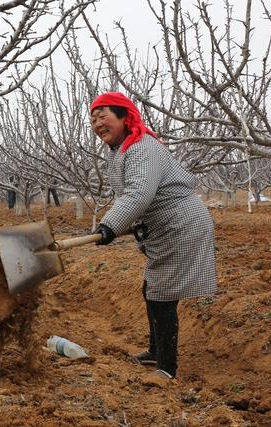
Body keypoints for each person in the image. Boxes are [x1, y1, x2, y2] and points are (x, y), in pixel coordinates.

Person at [89, 92, 217, 380]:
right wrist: (111, 227)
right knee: (152, 289)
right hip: (165, 226)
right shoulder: (122, 150)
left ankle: (166, 367)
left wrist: (110, 225)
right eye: (93, 119)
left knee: (161, 295)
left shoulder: (142, 146)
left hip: (181, 225)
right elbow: (131, 197)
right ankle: (155, 351)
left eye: (103, 116)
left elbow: (139, 193)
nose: (97, 124)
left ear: (124, 116)